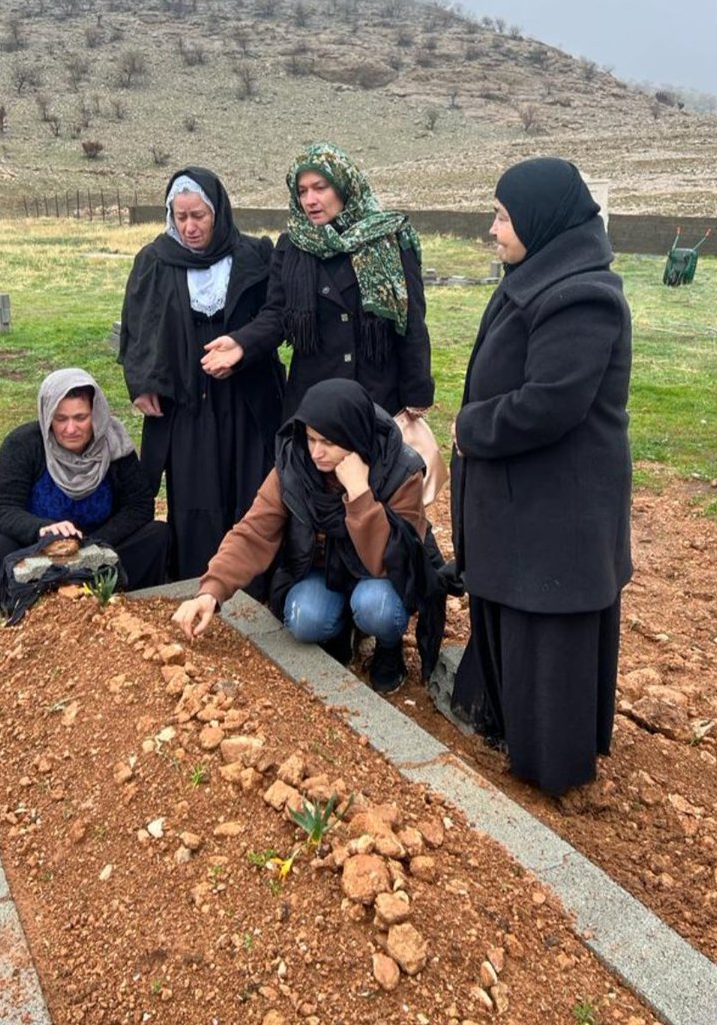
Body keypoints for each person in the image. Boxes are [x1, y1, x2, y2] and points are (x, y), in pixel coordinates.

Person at [450, 157, 632, 798]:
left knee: (549, 632)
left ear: (539, 219)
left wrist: (470, 427)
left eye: (502, 216)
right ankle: (514, 733)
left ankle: (552, 773)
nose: (493, 229)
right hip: (526, 500)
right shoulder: (536, 276)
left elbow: (551, 401)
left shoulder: (581, 295)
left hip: (560, 507)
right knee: (517, 620)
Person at [172, 379, 437, 695]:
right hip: (320, 570)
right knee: (305, 618)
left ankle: (388, 647)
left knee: (376, 608)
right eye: (310, 439)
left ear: (355, 438)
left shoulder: (400, 470)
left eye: (328, 442)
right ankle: (339, 631)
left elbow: (394, 563)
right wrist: (211, 592)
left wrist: (360, 493)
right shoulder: (294, 465)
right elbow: (254, 530)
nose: (316, 452)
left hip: (379, 577)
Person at [119, 166, 285, 581]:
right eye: (181, 217)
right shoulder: (155, 261)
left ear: (218, 212)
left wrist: (242, 347)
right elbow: (137, 326)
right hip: (187, 401)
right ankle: (198, 586)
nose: (190, 227)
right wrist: (141, 384)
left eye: (199, 216)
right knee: (196, 496)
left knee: (251, 492)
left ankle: (255, 588)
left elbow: (275, 316)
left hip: (246, 400)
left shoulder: (253, 255)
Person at [200, 141, 434, 422]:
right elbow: (277, 314)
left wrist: (416, 394)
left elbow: (411, 321)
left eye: (320, 187)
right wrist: (241, 343)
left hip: (376, 400)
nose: (310, 200)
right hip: (312, 404)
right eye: (302, 191)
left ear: (344, 186)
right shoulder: (293, 245)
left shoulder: (389, 240)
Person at [0, 368, 169, 618]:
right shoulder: (22, 445)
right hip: (40, 552)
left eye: (80, 417)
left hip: (101, 550)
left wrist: (92, 545)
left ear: (96, 414)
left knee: (158, 535)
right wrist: (44, 530)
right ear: (47, 417)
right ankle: (34, 611)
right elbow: (2, 509)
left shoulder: (114, 444)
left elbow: (139, 505)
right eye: (60, 419)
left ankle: (115, 604)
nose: (71, 429)